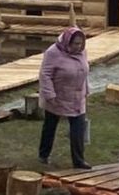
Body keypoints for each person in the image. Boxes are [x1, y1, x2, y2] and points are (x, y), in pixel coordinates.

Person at [38, 26, 91, 169]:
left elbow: (84, 70)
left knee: (78, 127)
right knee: (50, 125)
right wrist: (49, 95)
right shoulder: (52, 53)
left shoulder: (82, 52)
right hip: (57, 96)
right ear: (68, 41)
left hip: (77, 96)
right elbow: (45, 75)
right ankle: (43, 155)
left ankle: (79, 161)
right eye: (75, 44)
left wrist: (86, 89)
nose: (78, 47)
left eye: (80, 43)